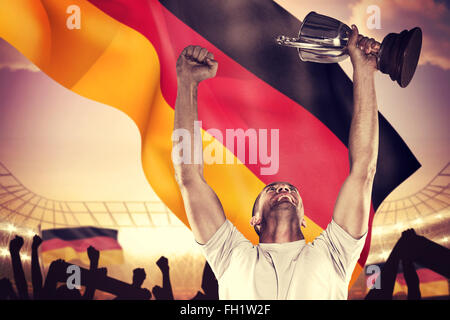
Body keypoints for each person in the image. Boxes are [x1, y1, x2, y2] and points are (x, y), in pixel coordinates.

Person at [172, 25, 379, 299]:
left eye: (291, 190)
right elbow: (189, 177)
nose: (285, 189)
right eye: (272, 190)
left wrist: (363, 72)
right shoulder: (228, 254)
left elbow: (364, 170)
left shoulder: (335, 253)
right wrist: (187, 83)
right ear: (255, 219)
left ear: (304, 219)